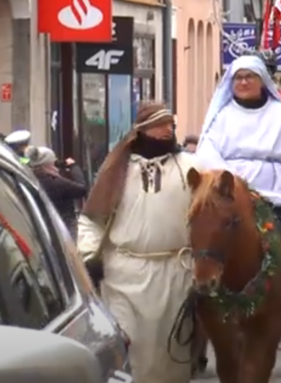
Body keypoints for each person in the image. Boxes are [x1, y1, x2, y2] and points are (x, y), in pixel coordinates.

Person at [196, 55, 281, 333]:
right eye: (238, 78)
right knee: (202, 238)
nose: (243, 82)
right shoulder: (222, 116)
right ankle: (197, 308)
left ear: (262, 81)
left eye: (249, 77)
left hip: (275, 197)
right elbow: (207, 152)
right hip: (230, 198)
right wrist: (230, 185)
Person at [77, 103, 196, 383]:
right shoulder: (117, 171)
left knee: (171, 356)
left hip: (175, 274)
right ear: (142, 131)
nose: (167, 130)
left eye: (170, 124)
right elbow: (92, 219)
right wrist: (89, 256)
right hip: (123, 275)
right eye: (159, 125)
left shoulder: (191, 168)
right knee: (128, 349)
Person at [27, 146, 87, 235]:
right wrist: (74, 167)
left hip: (44, 228)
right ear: (48, 163)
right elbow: (82, 189)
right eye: (53, 162)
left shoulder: (31, 178)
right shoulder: (56, 182)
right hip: (65, 228)